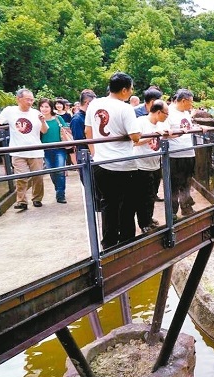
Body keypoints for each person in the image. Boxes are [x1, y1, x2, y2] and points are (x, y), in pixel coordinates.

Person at [85, 72, 141, 248]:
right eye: (131, 89)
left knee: (108, 204)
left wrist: (95, 154)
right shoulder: (125, 108)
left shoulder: (95, 103)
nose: (131, 92)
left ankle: (108, 244)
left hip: (101, 164)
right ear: (124, 90)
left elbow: (88, 131)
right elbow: (135, 136)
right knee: (127, 205)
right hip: (123, 165)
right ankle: (126, 241)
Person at [0, 88, 47, 210]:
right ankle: (22, 201)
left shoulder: (36, 113)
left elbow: (44, 130)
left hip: (35, 150)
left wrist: (43, 121)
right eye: (27, 99)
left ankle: (37, 198)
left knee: (38, 177)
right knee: (21, 177)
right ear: (18, 99)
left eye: (32, 100)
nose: (30, 102)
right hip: (18, 150)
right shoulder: (10, 111)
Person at [133, 99, 168, 233]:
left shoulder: (159, 125)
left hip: (155, 164)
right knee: (143, 197)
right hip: (141, 166)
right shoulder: (140, 122)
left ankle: (149, 218)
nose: (167, 116)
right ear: (158, 112)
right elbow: (135, 142)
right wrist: (152, 136)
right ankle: (143, 223)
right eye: (166, 113)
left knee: (152, 195)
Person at [166, 88, 196, 218]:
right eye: (190, 102)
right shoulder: (168, 112)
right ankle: (172, 212)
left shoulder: (186, 113)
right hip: (175, 155)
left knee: (186, 182)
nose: (192, 105)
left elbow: (188, 128)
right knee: (174, 185)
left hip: (189, 152)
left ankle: (186, 207)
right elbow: (165, 132)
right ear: (183, 101)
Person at [38, 98, 68, 203]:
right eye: (42, 106)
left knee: (60, 171)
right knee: (52, 172)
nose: (44, 109)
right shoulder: (38, 120)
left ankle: (60, 194)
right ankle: (58, 189)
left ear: (51, 107)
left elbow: (66, 130)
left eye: (47, 106)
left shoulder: (58, 118)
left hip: (59, 148)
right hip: (45, 149)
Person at [70, 89, 96, 164]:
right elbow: (79, 139)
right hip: (85, 155)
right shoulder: (77, 119)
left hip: (91, 153)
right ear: (88, 103)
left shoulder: (89, 115)